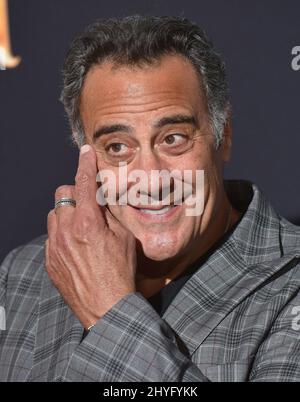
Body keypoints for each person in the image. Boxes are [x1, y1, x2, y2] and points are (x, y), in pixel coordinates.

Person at [0, 15, 299, 382]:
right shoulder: (21, 275)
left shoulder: (291, 286)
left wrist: (109, 312)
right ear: (85, 156)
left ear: (224, 137)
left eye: (173, 138)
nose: (152, 179)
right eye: (118, 147)